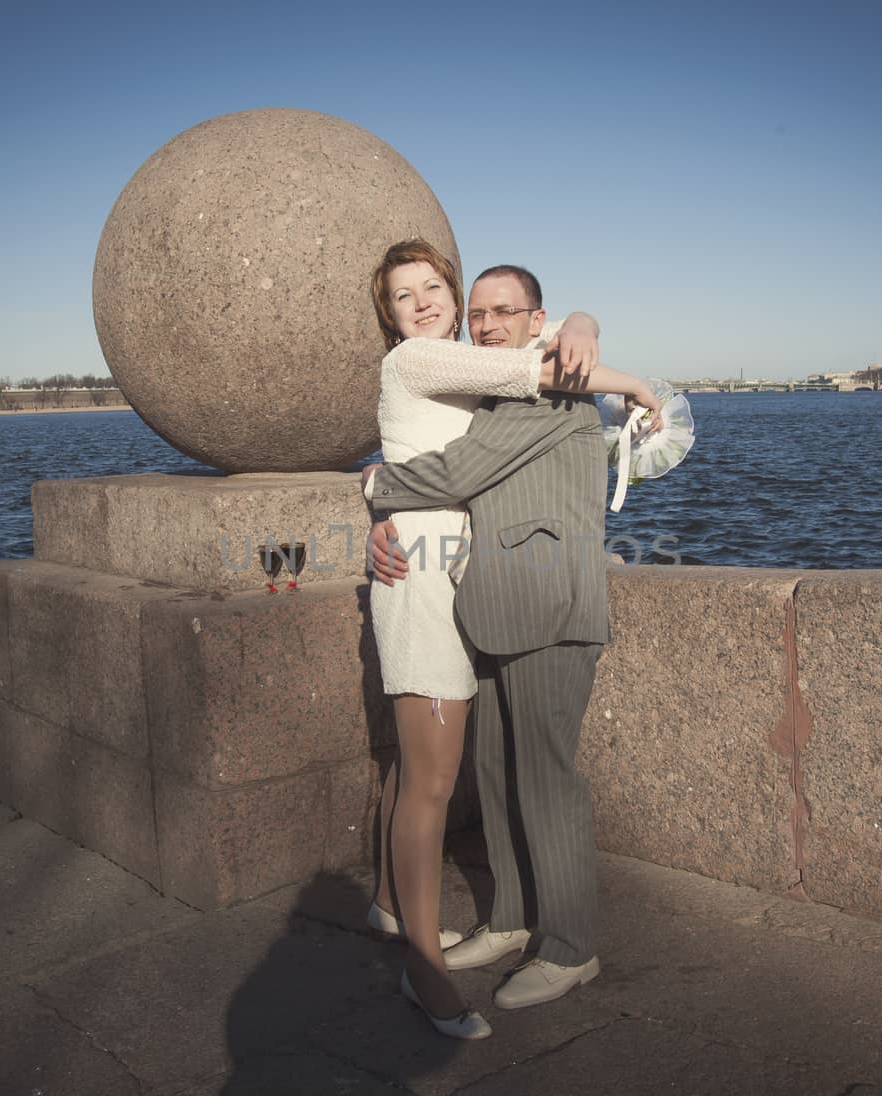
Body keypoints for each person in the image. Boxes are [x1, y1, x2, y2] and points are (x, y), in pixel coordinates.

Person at [362, 241, 659, 1040]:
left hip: (546, 606)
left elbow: (456, 470)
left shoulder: (544, 395)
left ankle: (567, 946)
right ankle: (511, 920)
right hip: (483, 604)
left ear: (535, 322)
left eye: (500, 312)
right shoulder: (470, 369)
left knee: (545, 778)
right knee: (492, 772)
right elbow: (530, 338)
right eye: (477, 312)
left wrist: (374, 488)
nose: (484, 323)